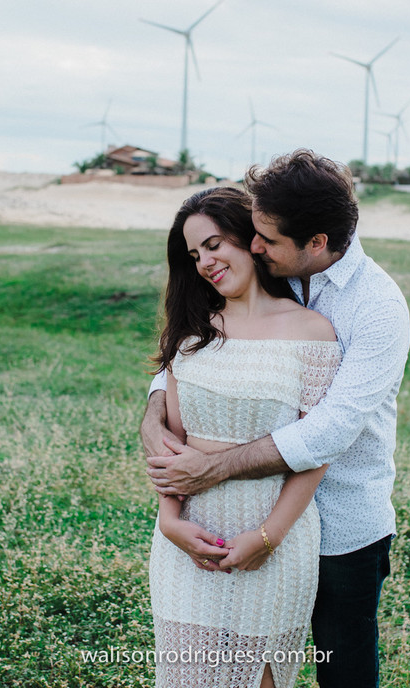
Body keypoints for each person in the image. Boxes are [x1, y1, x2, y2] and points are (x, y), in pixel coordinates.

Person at [143, 150, 410, 688]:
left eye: (265, 238)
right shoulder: (267, 271)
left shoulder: (376, 306)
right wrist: (154, 413)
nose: (256, 245)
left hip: (340, 523)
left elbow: (329, 430)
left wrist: (211, 470)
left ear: (315, 243)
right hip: (231, 517)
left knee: (341, 669)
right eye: (254, 233)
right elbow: (202, 356)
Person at [147, 186, 342, 688]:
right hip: (189, 539)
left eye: (213, 245)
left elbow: (314, 451)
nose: (206, 263)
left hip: (275, 537)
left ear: (249, 238)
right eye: (194, 256)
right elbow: (170, 442)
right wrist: (170, 523)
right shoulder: (192, 331)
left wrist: (268, 537)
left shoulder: (313, 332)